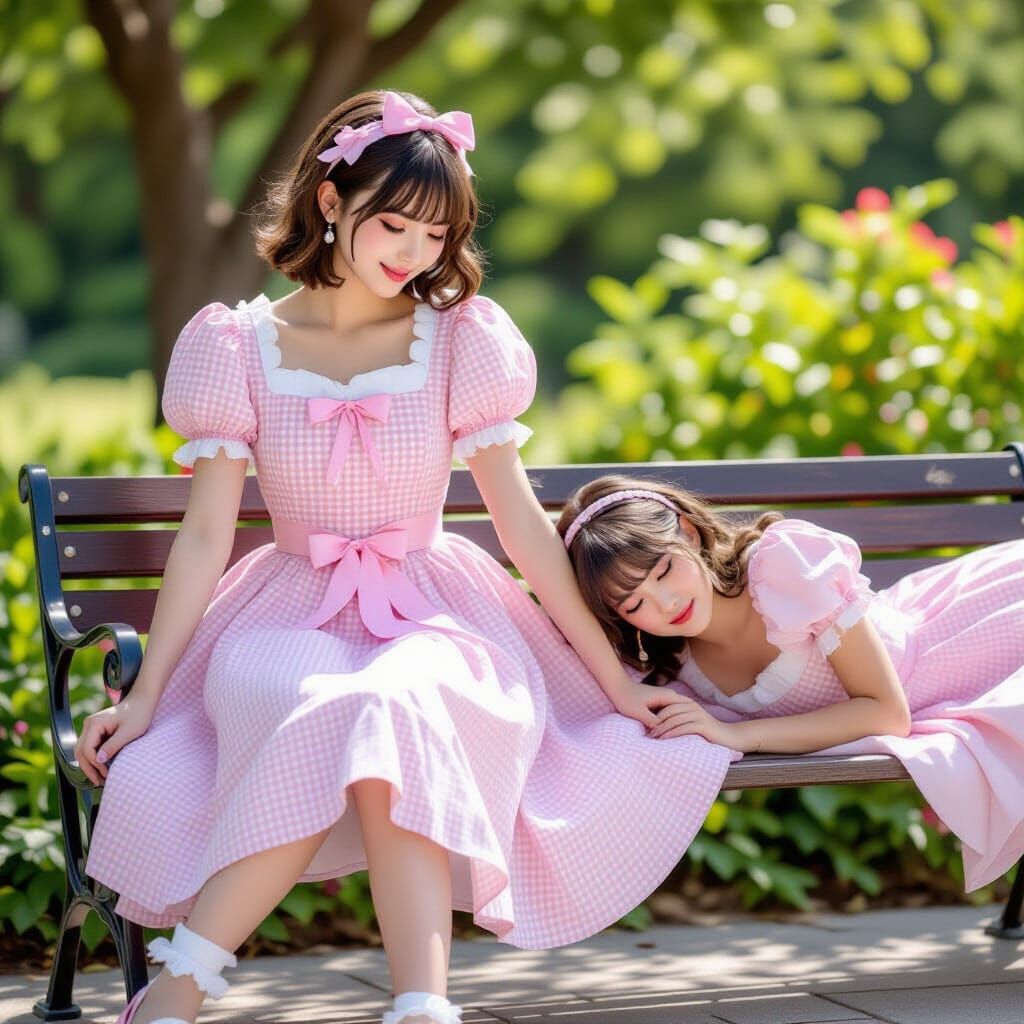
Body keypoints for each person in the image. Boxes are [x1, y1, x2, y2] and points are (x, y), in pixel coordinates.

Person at [75, 92, 738, 1024]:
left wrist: (616, 685)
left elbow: (522, 530)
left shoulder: (461, 339)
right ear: (332, 199)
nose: (415, 255)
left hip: (435, 612)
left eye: (438, 235)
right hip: (287, 612)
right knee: (336, 704)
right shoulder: (236, 346)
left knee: (400, 704)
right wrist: (144, 698)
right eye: (395, 225)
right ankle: (180, 990)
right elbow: (203, 538)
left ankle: (419, 1008)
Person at [557, 473, 1024, 895]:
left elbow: (886, 712)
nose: (665, 602)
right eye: (634, 603)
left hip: (968, 645)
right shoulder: (668, 666)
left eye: (663, 570)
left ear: (690, 531)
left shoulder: (782, 570)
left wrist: (741, 735)